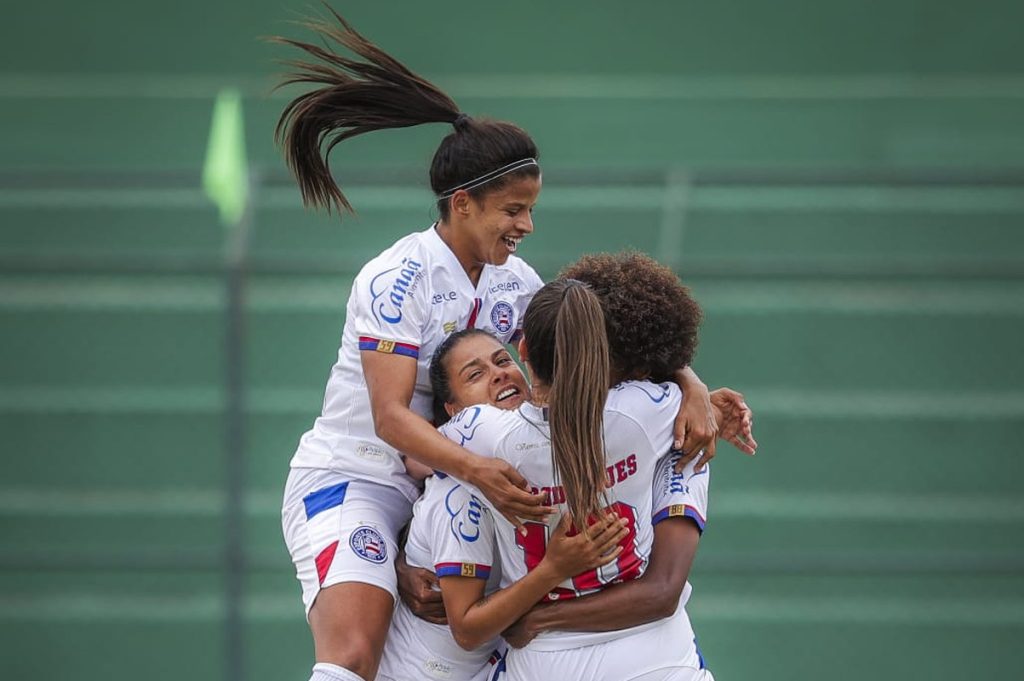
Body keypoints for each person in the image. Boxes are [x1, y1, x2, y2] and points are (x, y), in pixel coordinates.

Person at [274, 10, 724, 681]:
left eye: (532, 207)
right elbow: (390, 416)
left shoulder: (520, 282)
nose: (527, 224)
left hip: (453, 484)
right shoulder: (397, 277)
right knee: (352, 657)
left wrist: (690, 384)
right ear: (462, 204)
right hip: (361, 477)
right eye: (513, 209)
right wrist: (477, 475)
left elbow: (598, 330)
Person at [433, 279, 713, 680]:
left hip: (545, 661)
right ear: (604, 353)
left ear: (523, 350)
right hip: (655, 655)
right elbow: (672, 378)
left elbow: (413, 453)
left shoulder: (483, 432)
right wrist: (695, 386)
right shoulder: (649, 411)